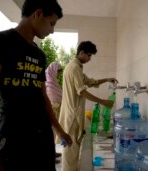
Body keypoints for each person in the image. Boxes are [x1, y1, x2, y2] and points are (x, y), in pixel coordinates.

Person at [0, 0, 72, 171]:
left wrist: (58, 130)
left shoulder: (39, 55)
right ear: (38, 14)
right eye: (51, 23)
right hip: (13, 137)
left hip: (42, 137)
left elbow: (43, 97)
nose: (52, 30)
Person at [59, 40, 118, 171]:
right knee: (71, 151)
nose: (90, 59)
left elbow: (90, 82)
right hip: (72, 115)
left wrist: (107, 79)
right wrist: (103, 102)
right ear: (81, 53)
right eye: (89, 55)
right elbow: (82, 91)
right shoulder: (74, 68)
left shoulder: (76, 67)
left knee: (72, 150)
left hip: (73, 113)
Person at [45, 61, 63, 162]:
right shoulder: (48, 83)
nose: (59, 74)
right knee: (50, 132)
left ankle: (53, 152)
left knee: (53, 133)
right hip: (52, 109)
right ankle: (49, 156)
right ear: (53, 71)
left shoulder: (53, 82)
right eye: (58, 72)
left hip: (55, 108)